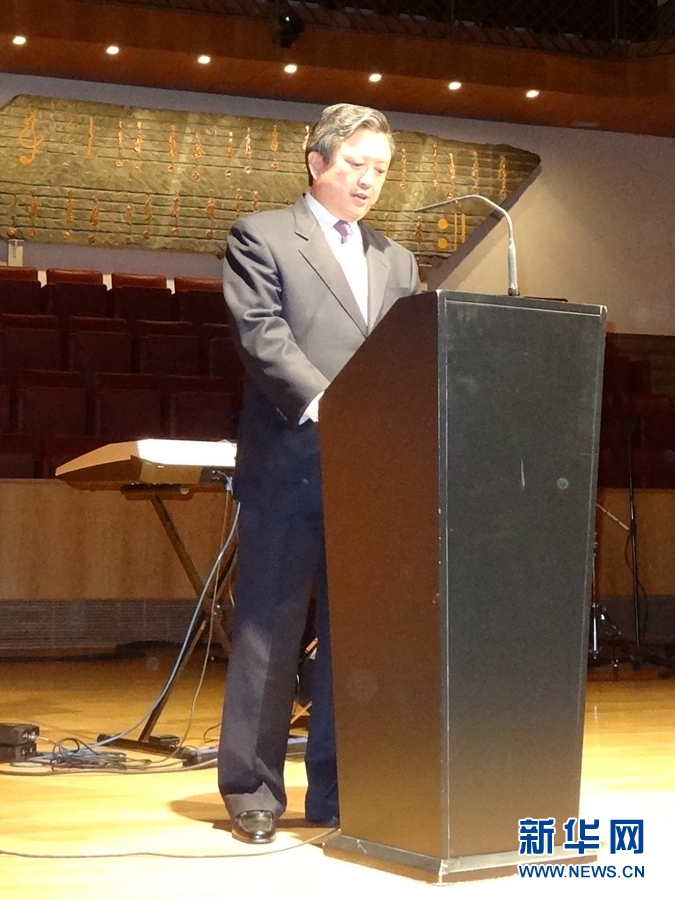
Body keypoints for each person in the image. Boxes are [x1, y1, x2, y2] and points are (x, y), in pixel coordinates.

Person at [218, 103, 420, 845]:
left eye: (380, 170)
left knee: (355, 637)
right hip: (290, 464)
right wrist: (334, 406)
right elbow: (261, 334)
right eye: (356, 164)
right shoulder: (262, 235)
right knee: (268, 630)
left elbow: (405, 354)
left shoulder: (397, 259)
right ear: (317, 161)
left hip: (369, 475)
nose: (369, 181)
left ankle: (338, 787)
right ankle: (252, 788)